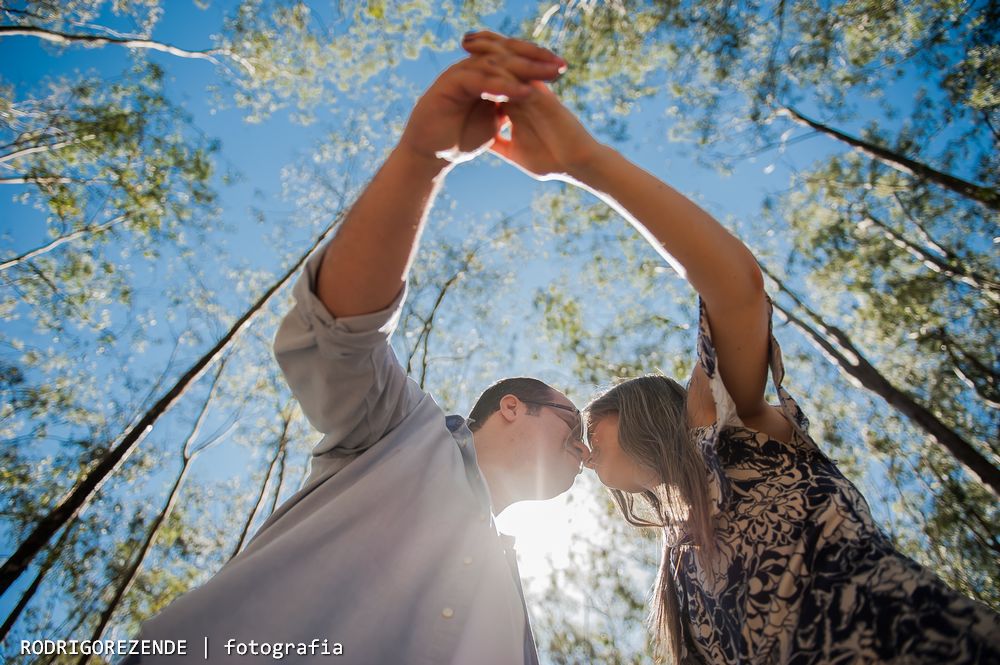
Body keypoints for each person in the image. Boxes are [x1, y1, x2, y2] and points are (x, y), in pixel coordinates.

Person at [458, 29, 1000, 665]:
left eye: (587, 425)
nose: (581, 448)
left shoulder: (733, 439)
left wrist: (585, 162)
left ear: (642, 411)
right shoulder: (677, 572)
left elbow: (738, 293)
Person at [121, 33, 589, 664]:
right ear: (512, 407)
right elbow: (338, 334)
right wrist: (424, 157)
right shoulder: (400, 431)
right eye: (572, 423)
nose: (585, 450)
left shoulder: (517, 626)